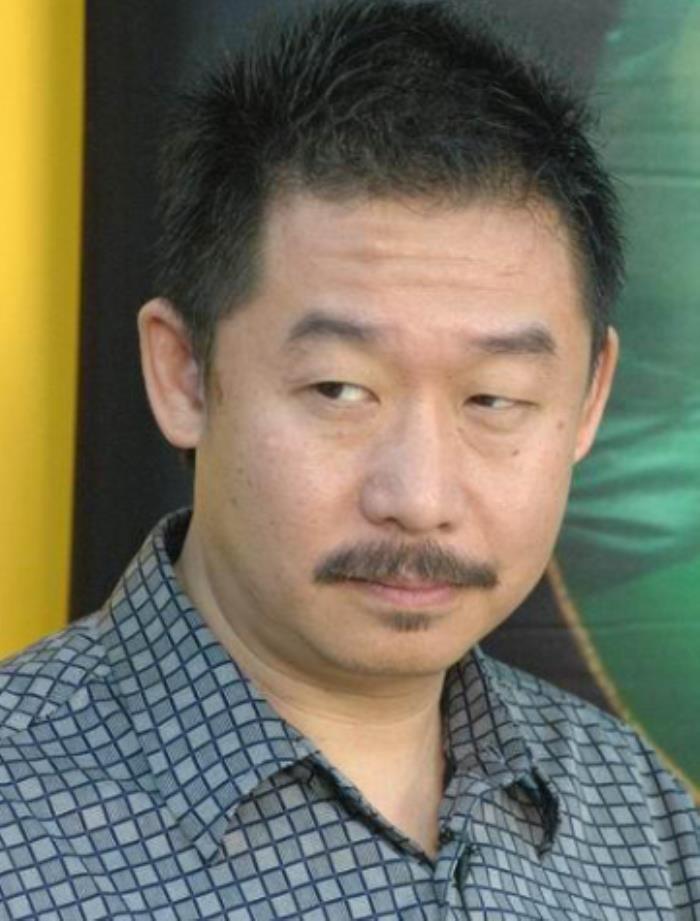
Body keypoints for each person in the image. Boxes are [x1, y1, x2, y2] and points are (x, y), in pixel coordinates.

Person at [1, 0, 698, 918]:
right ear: (184, 374)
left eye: (493, 398)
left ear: (589, 399)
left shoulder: (639, 814)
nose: (419, 496)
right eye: (340, 389)